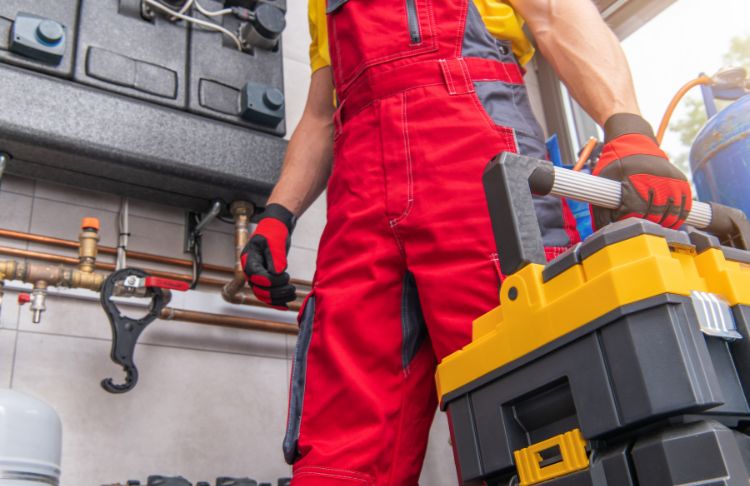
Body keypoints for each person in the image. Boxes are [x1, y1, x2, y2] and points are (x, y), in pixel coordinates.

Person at [240, 0, 692, 483]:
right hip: (359, 195)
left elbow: (557, 15)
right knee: (340, 444)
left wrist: (628, 130)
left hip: (474, 161)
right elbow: (320, 113)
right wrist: (278, 215)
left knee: (533, 411)